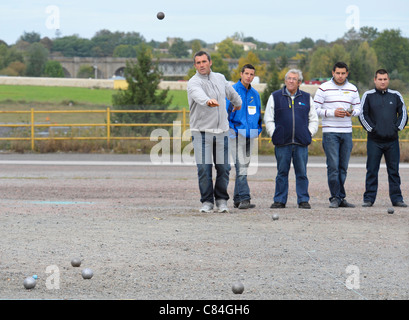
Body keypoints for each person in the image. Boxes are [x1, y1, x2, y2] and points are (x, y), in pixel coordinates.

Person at [187, 51, 242, 213]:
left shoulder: (220, 77)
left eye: (204, 61)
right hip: (201, 133)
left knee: (224, 168)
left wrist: (237, 103)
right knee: (204, 168)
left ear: (210, 62)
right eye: (198, 63)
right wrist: (207, 101)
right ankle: (207, 202)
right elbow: (198, 95)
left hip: (221, 132)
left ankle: (221, 200)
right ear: (195, 65)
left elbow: (230, 93)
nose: (201, 65)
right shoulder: (193, 82)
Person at [264, 69, 318, 209]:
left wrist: (309, 133)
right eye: (289, 78)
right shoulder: (275, 96)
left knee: (302, 173)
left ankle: (303, 200)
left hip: (301, 142)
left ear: (299, 82)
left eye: (294, 79)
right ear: (285, 80)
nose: (291, 81)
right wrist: (274, 133)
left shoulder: (306, 98)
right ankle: (280, 200)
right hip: (282, 143)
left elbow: (313, 119)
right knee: (281, 173)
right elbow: (269, 119)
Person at [314, 62, 361, 208]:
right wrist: (331, 113)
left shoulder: (352, 89)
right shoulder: (323, 88)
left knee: (343, 167)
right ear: (333, 72)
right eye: (338, 73)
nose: (340, 76)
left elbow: (359, 108)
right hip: (330, 132)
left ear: (347, 73)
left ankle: (340, 197)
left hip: (346, 132)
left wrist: (352, 112)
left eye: (343, 73)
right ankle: (335, 197)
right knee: (333, 166)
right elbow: (315, 109)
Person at [359, 69, 408, 207]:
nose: (382, 81)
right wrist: (373, 130)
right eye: (380, 79)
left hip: (392, 141)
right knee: (372, 170)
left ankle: (397, 199)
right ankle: (368, 198)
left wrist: (396, 128)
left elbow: (403, 114)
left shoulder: (396, 95)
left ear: (388, 80)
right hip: (374, 141)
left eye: (385, 79)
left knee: (394, 171)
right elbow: (363, 115)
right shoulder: (368, 96)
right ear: (375, 80)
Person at [226, 64, 262, 209]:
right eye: (246, 73)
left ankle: (237, 199)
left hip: (250, 136)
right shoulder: (232, 91)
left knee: (244, 168)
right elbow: (225, 114)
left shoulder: (255, 95)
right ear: (241, 74)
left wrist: (258, 129)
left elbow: (259, 114)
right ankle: (245, 198)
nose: (249, 76)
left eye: (251, 74)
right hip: (236, 135)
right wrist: (231, 131)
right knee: (241, 167)